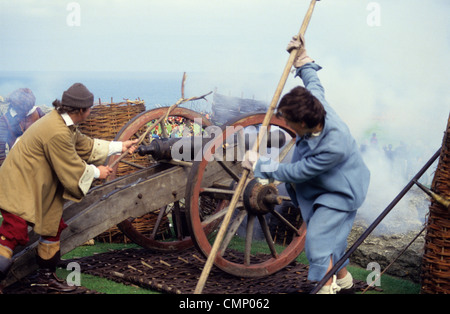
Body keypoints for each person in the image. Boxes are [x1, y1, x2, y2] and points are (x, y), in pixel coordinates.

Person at [249, 36, 370, 294]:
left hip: (340, 192)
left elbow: (299, 172)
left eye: (288, 121)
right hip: (319, 188)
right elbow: (313, 82)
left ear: (303, 124)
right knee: (334, 240)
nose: (285, 123)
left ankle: (323, 288)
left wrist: (261, 164)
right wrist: (303, 57)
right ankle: (345, 283)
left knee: (316, 240)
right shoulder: (315, 105)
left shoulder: (334, 144)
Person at [0, 83, 138, 292]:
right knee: (13, 231)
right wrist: (97, 172)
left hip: (39, 184)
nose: (91, 112)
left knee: (52, 226)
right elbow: (71, 167)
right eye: (90, 108)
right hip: (20, 184)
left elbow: (86, 146)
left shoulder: (63, 123)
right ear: (81, 110)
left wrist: (120, 146)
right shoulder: (56, 131)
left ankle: (47, 278)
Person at [0, 88, 45, 166]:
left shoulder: (38, 113)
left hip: (39, 163)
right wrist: (5, 168)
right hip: (16, 164)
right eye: (23, 110)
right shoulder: (5, 120)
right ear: (15, 107)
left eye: (28, 109)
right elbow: (1, 151)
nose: (27, 112)